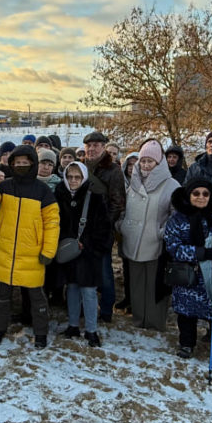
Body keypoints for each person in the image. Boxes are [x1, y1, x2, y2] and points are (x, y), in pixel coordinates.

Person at [0, 144, 60, 347]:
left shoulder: (42, 191)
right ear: (12, 164)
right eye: (17, 163)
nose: (21, 166)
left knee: (37, 298)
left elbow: (52, 223)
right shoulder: (6, 186)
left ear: (32, 164)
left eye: (25, 163)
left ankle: (41, 333)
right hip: (6, 252)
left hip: (32, 254)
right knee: (2, 296)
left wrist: (48, 251)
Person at [163, 177, 212, 368]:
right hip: (189, 273)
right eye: (196, 193)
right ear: (189, 195)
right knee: (186, 313)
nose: (201, 197)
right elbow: (173, 248)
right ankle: (187, 344)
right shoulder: (178, 219)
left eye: (205, 193)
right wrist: (201, 252)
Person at [119, 139, 174, 331]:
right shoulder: (131, 182)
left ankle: (154, 323)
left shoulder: (171, 184)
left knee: (154, 286)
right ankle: (139, 320)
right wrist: (122, 225)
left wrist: (162, 231)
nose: (145, 165)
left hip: (155, 243)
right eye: (143, 161)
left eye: (150, 161)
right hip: (132, 240)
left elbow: (176, 215)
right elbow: (122, 208)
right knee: (136, 284)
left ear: (159, 163)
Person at [54, 162, 111, 347]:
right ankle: (72, 325)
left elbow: (104, 227)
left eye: (77, 177)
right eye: (70, 176)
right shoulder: (59, 195)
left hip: (88, 252)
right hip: (69, 251)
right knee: (71, 288)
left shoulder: (95, 198)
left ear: (84, 177)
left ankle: (91, 330)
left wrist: (88, 245)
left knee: (88, 291)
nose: (73, 180)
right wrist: (65, 242)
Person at [82, 130, 126, 321]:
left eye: (96, 145)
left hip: (102, 230)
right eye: (88, 145)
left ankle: (106, 309)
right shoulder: (82, 167)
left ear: (103, 147)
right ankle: (85, 306)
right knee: (84, 269)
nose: (91, 149)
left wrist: (103, 223)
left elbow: (118, 202)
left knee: (105, 271)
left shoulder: (113, 170)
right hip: (82, 229)